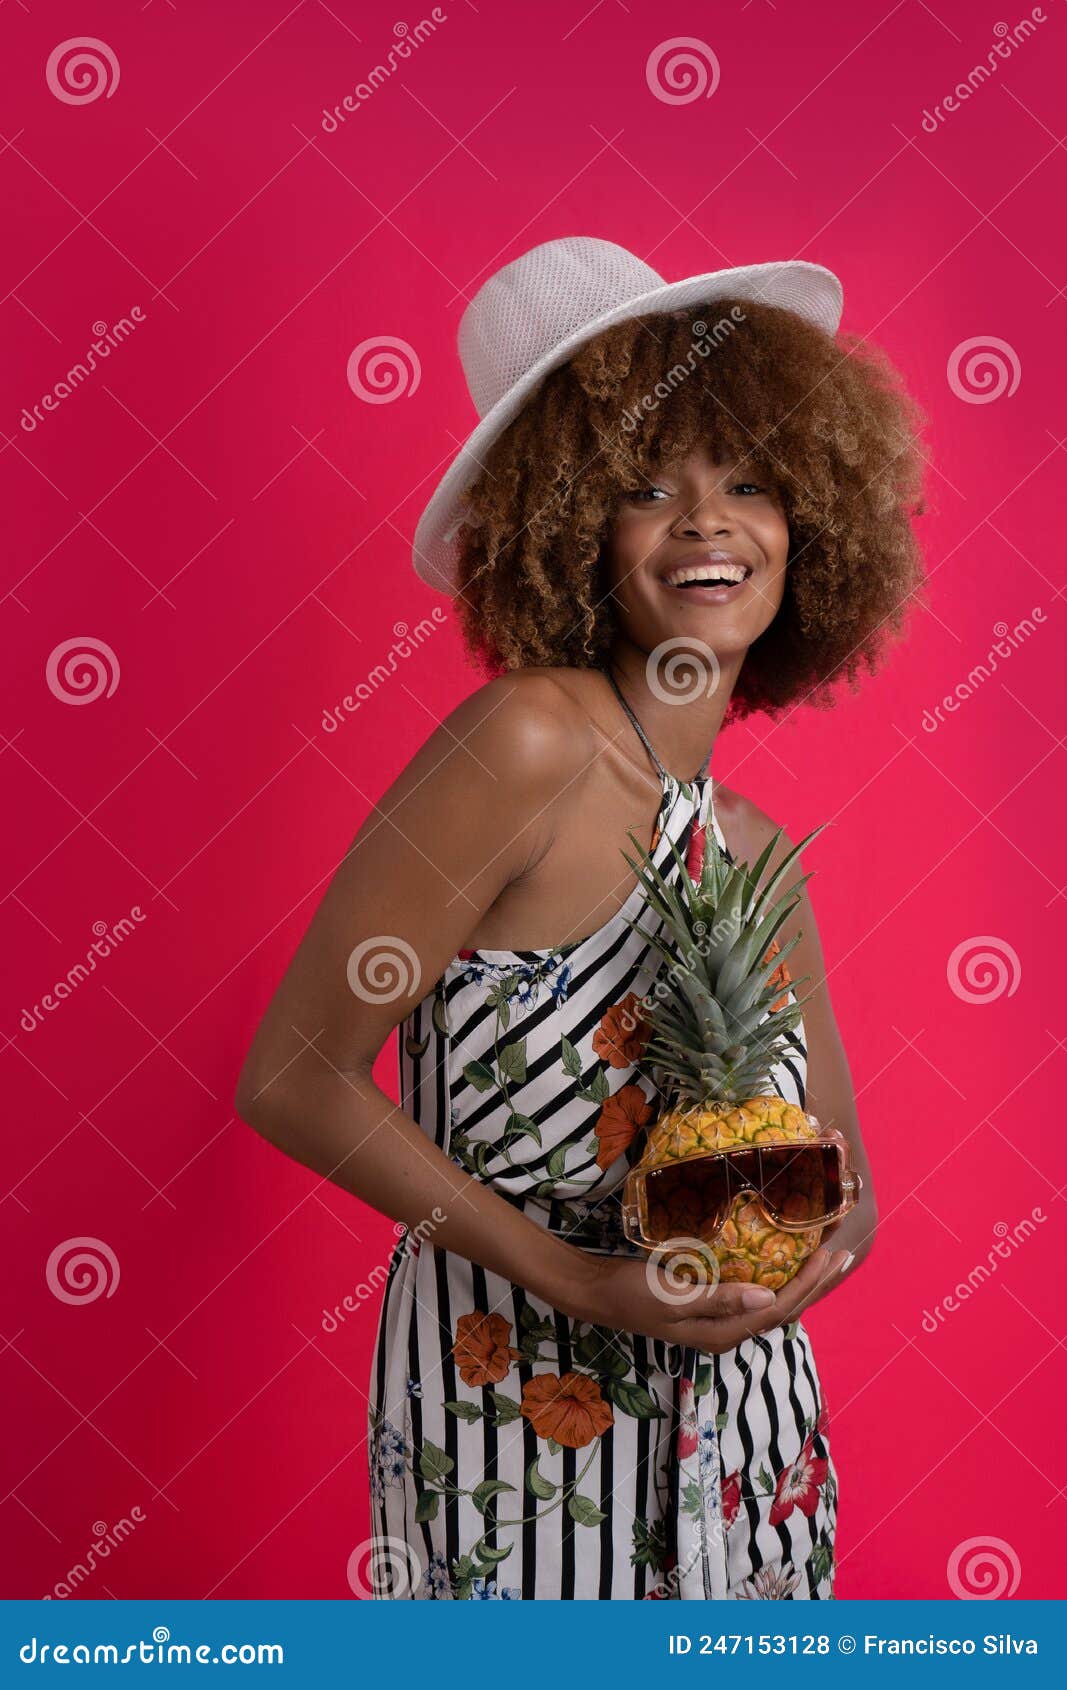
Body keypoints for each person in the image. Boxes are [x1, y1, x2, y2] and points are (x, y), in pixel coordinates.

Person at [235, 237, 927, 1600]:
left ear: (811, 521)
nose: (708, 523)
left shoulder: (754, 849)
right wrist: (584, 1277)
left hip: (750, 1435)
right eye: (645, 489)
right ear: (569, 527)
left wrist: (776, 1284)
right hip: (516, 1405)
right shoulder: (527, 744)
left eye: (749, 482)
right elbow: (290, 1077)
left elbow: (844, 1195)